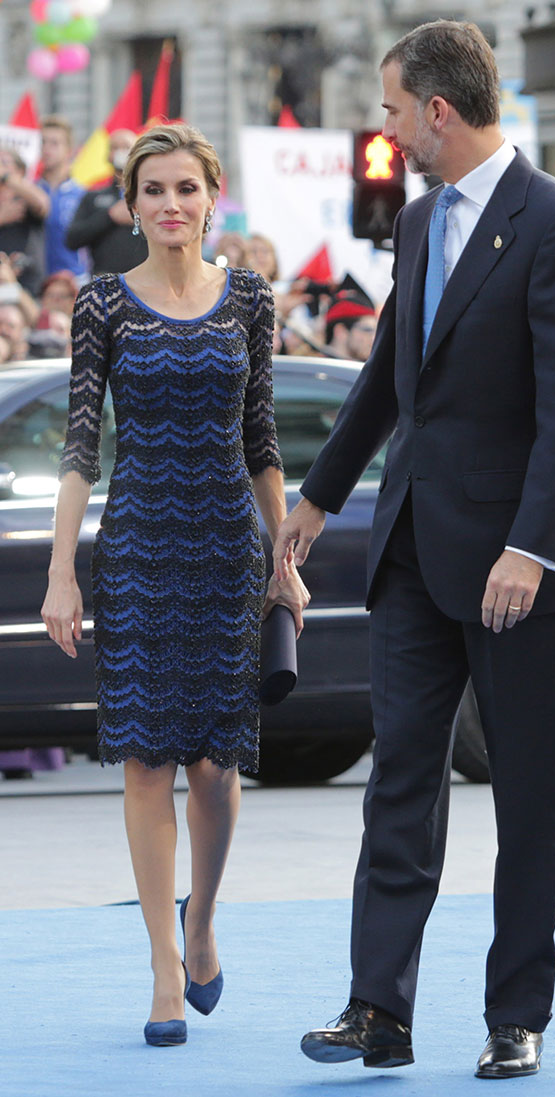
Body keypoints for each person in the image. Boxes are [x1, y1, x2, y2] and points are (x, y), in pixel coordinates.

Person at [273, 20, 555, 1081]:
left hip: (516, 568)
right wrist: (318, 500)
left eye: (387, 109)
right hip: (413, 547)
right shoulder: (419, 222)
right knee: (399, 781)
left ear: (436, 109)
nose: (382, 130)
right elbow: (386, 378)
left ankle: (516, 1013)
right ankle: (379, 1007)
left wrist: (532, 547)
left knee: (525, 792)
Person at [41, 122, 308, 1047]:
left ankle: (202, 921)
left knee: (216, 766)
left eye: (185, 189)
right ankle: (162, 961)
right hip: (142, 546)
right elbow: (81, 447)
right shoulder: (104, 303)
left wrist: (284, 561)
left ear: (211, 195)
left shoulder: (251, 300)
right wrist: (62, 569)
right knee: (146, 761)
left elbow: (263, 442)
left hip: (228, 550)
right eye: (151, 190)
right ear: (129, 203)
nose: (169, 205)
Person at [66, 129, 149, 274]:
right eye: (115, 147)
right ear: (107, 155)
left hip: (145, 279)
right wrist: (109, 216)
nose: (120, 152)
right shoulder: (93, 196)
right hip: (105, 280)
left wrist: (140, 219)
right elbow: (72, 239)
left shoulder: (150, 194)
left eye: (126, 147)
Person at [37, 115, 89, 280]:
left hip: (74, 282)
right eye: (43, 142)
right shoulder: (30, 192)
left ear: (69, 150)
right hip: (37, 283)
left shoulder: (82, 194)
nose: (46, 149)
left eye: (54, 143)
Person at [0, 147, 49, 298]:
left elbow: (42, 204)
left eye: (4, 162)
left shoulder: (26, 199)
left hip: (27, 285)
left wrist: (6, 177)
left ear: (20, 170)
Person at [324, 293, 378, 362]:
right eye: (367, 330)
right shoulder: (314, 368)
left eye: (376, 331)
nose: (373, 338)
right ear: (341, 331)